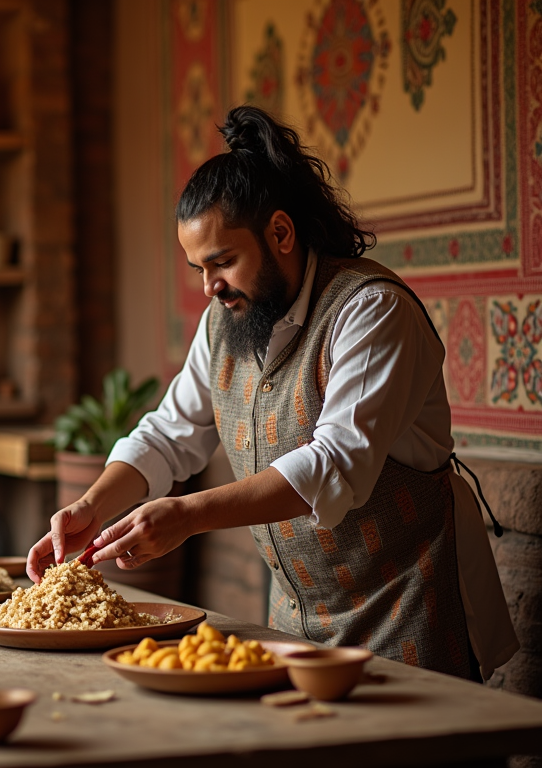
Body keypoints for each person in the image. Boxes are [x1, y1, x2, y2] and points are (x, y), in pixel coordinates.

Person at [27, 105, 518, 681]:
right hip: (293, 626)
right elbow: (167, 435)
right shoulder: (225, 320)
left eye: (222, 262)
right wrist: (92, 506)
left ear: (281, 233)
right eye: (197, 269)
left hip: (405, 613)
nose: (210, 287)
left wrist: (188, 514)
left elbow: (336, 464)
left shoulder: (370, 310)